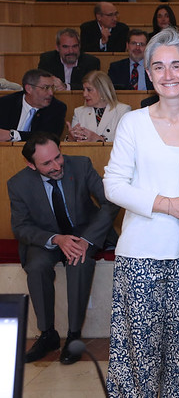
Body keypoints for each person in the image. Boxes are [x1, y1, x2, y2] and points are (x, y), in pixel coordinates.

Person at [104, 29, 179, 397]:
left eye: (176, 65)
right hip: (139, 259)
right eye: (159, 67)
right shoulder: (132, 123)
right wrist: (170, 205)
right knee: (138, 365)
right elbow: (114, 185)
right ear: (148, 74)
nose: (168, 75)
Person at [8, 132, 118, 364]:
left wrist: (87, 240)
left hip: (82, 234)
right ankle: (47, 334)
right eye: (47, 163)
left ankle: (74, 336)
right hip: (48, 238)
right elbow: (21, 227)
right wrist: (56, 239)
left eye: (58, 157)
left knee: (79, 262)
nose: (57, 166)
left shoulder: (81, 165)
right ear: (31, 165)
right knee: (37, 267)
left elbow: (110, 203)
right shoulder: (18, 184)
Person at [0, 69, 66, 142]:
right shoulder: (5, 103)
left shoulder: (57, 108)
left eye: (52, 88)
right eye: (46, 88)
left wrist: (13, 135)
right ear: (29, 89)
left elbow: (48, 137)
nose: (51, 93)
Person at [66, 71, 131, 142]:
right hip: (83, 153)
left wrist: (100, 139)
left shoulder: (122, 110)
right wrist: (71, 139)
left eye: (89, 90)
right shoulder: (79, 112)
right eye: (83, 90)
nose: (84, 94)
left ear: (102, 90)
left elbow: (125, 141)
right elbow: (72, 146)